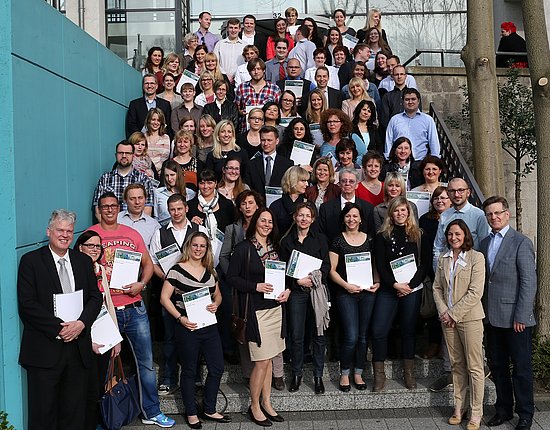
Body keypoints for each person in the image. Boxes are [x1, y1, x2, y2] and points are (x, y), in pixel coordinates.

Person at [87, 193, 176, 428]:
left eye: (113, 206)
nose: (109, 210)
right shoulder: (92, 235)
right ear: (99, 209)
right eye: (105, 206)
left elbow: (147, 263)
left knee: (145, 363)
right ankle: (103, 415)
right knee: (105, 365)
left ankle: (151, 411)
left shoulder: (131, 233)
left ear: (119, 207)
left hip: (135, 306)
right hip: (107, 312)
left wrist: (142, 284)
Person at [18, 209, 102, 430]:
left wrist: (81, 324)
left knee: (74, 413)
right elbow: (27, 305)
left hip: (77, 351)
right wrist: (60, 328)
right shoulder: (31, 261)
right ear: (49, 231)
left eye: (69, 231)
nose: (65, 235)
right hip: (45, 352)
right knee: (43, 414)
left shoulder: (83, 261)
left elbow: (95, 297)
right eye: (60, 230)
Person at [226, 208, 291, 426]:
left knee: (271, 358)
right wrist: (256, 286)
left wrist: (287, 291)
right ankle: (254, 406)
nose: (266, 225)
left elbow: (285, 276)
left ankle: (267, 402)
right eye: (263, 221)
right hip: (255, 311)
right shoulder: (244, 248)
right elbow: (231, 278)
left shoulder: (276, 248)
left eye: (270, 221)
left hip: (275, 308)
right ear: (255, 223)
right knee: (261, 361)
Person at [160, 232, 231, 429]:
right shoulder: (176, 270)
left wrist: (216, 304)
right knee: (190, 370)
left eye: (203, 246)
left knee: (217, 367)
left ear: (207, 249)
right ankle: (191, 412)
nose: (198, 249)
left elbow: (218, 296)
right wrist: (180, 318)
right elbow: (164, 298)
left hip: (209, 327)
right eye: (195, 245)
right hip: (187, 327)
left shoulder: (210, 271)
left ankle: (209, 408)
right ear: (189, 247)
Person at [481, 196, 536, 430]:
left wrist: (522, 315)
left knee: (521, 368)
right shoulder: (483, 243)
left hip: (516, 320)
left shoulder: (521, 242)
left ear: (507, 214)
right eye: (489, 214)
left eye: (497, 213)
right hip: (492, 317)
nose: (494, 217)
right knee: (499, 366)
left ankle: (525, 414)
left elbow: (528, 281)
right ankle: (503, 409)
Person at [149, 194, 208, 396]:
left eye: (179, 209)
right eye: (172, 210)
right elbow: (154, 264)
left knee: (198, 335)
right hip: (171, 295)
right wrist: (170, 280)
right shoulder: (160, 233)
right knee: (170, 337)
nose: (176, 213)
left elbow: (208, 259)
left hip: (197, 294)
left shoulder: (199, 230)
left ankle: (197, 378)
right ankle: (169, 378)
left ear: (186, 209)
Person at [371, 197, 430, 391]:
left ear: (409, 212)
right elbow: (380, 264)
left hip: (411, 289)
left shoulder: (419, 234)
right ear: (390, 213)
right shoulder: (382, 236)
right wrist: (395, 284)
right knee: (379, 329)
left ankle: (409, 373)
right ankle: (379, 374)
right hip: (389, 289)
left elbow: (425, 264)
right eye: (396, 211)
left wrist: (411, 285)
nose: (400, 214)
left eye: (403, 210)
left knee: (408, 330)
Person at [433, 220, 486, 430]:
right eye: (450, 234)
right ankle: (459, 407)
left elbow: (475, 292)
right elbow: (437, 288)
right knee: (456, 365)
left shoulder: (476, 258)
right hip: (448, 319)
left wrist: (453, 313)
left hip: (470, 318)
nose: (453, 238)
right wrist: (444, 312)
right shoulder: (443, 258)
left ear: (465, 235)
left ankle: (476, 412)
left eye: (458, 234)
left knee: (474, 367)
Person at [328, 202, 379, 392]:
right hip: (345, 293)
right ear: (344, 218)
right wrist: (346, 286)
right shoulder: (337, 240)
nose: (352, 219)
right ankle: (344, 373)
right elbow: (332, 270)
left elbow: (375, 265)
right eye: (348, 216)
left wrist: (377, 282)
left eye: (355, 216)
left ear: (361, 219)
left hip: (367, 293)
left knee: (363, 336)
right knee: (350, 336)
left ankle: (358, 372)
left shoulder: (370, 240)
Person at [280, 202, 331, 394]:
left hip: (317, 291)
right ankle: (296, 374)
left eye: (307, 216)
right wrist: (297, 283)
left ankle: (318, 376)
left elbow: (326, 266)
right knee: (297, 335)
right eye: (300, 215)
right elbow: (283, 269)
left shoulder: (320, 239)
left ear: (313, 219)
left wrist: (313, 279)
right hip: (297, 293)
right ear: (295, 217)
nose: (303, 219)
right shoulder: (286, 241)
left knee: (318, 334)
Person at [75, 229, 122, 430]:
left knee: (98, 386)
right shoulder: (74, 270)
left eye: (98, 246)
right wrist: (87, 341)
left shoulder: (100, 270)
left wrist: (116, 337)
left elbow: (108, 303)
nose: (95, 249)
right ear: (80, 247)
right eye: (90, 245)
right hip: (83, 337)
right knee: (83, 388)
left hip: (104, 334)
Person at [218, 190, 264, 365]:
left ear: (257, 205)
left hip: (259, 282)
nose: (247, 207)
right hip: (236, 282)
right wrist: (232, 276)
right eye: (244, 203)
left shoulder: (265, 225)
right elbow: (223, 256)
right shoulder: (232, 228)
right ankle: (231, 351)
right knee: (234, 316)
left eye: (251, 203)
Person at [418, 186, 452, 359]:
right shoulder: (425, 220)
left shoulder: (455, 218)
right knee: (434, 308)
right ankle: (434, 343)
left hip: (453, 269)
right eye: (437, 198)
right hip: (431, 269)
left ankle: (448, 347)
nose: (440, 201)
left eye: (444, 198)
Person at [433, 177, 490, 267]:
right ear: (448, 193)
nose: (456, 194)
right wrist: (438, 271)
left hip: (472, 267)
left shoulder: (479, 215)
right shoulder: (444, 216)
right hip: (449, 268)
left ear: (468, 193)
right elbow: (438, 247)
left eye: (460, 190)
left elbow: (485, 247)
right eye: (452, 191)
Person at [92, 140, 154, 221]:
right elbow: (98, 209)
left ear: (133, 156)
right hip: (111, 229)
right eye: (121, 153)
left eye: (128, 153)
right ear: (116, 155)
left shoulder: (143, 179)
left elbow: (147, 210)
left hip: (135, 229)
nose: (124, 156)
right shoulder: (105, 179)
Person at [319, 168, 375, 242]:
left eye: (351, 181)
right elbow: (322, 235)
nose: (347, 184)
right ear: (339, 184)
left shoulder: (368, 208)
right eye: (344, 181)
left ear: (357, 185)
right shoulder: (326, 208)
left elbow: (371, 234)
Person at [246, 125, 294, 199]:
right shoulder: (251, 164)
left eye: (269, 140)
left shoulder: (287, 164)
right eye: (263, 140)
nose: (265, 144)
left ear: (277, 141)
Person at [235, 58, 282, 133]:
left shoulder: (274, 89)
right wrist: (240, 112)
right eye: (253, 69)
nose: (256, 72)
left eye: (259, 69)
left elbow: (279, 111)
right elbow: (236, 108)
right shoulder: (242, 87)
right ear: (249, 72)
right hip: (246, 130)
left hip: (267, 132)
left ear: (263, 71)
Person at [187, 169, 235, 239]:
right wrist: (191, 225)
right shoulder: (190, 205)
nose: (205, 186)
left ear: (215, 183)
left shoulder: (227, 204)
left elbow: (232, 229)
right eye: (202, 183)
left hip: (223, 246)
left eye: (209, 183)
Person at [126, 74, 172, 139]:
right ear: (143, 86)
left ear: (156, 86)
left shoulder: (165, 105)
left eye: (152, 83)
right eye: (146, 83)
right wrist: (140, 139)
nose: (149, 86)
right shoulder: (134, 104)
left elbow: (169, 126)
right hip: (141, 143)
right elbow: (131, 125)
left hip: (160, 143)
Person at [269, 166, 310, 235]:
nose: (307, 184)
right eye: (303, 181)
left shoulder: (309, 205)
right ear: (292, 180)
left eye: (307, 181)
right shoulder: (275, 206)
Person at [118, 183, 161, 248]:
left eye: (140, 198)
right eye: (132, 199)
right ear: (125, 200)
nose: (137, 202)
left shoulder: (154, 225)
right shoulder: (116, 220)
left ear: (145, 199)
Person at [213, 18, 245, 83]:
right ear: (227, 29)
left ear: (240, 29)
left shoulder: (245, 45)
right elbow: (215, 62)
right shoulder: (219, 44)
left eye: (236, 28)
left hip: (241, 80)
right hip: (222, 79)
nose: (233, 30)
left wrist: (237, 76)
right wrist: (225, 75)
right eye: (231, 28)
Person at [379, 65, 411, 129]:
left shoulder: (413, 95)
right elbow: (384, 120)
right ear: (392, 76)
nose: (399, 77)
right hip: (393, 131)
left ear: (405, 76)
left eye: (401, 74)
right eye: (396, 74)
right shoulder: (387, 97)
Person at [145, 107, 171, 174]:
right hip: (144, 173)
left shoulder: (166, 138)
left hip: (160, 174)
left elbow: (164, 158)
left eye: (158, 120)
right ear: (149, 120)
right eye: (153, 119)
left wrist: (153, 171)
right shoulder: (143, 137)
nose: (156, 122)